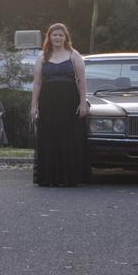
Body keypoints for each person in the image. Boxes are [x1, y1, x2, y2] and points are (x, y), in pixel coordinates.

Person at [31, 22, 88, 186]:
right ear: (49, 37)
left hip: (70, 102)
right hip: (48, 103)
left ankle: (68, 177)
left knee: (68, 139)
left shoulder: (73, 55)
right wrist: (34, 106)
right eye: (54, 35)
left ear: (65, 38)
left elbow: (82, 80)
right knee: (49, 138)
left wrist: (82, 103)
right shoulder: (42, 57)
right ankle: (49, 177)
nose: (57, 37)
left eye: (60, 35)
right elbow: (37, 83)